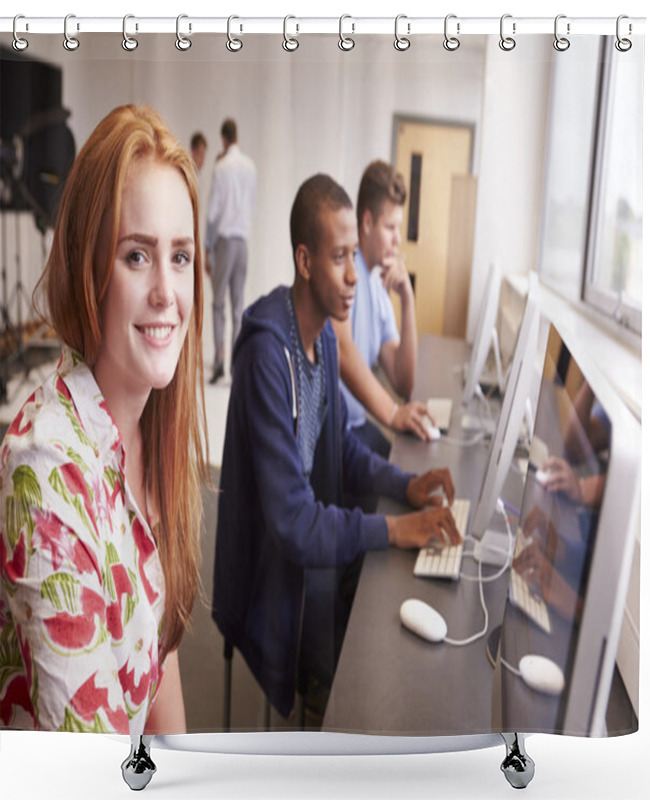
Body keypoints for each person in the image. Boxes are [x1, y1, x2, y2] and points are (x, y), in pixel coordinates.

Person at [212, 174, 460, 724]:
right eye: (339, 257)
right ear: (304, 261)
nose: (354, 276)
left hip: (296, 553)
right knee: (370, 618)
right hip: (265, 572)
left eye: (355, 256)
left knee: (372, 587)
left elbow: (339, 444)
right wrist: (398, 529)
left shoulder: (322, 335)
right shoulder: (266, 356)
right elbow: (296, 525)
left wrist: (405, 485)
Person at [0, 105, 209, 735]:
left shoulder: (151, 426)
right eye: (136, 256)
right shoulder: (47, 474)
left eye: (180, 258)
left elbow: (159, 654)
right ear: (89, 269)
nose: (167, 296)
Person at [331, 160, 435, 458]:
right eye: (390, 227)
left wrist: (407, 299)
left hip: (358, 427)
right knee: (399, 477)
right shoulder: (343, 273)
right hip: (336, 435)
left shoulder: (378, 289)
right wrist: (392, 413)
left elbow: (404, 381)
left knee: (408, 464)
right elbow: (342, 348)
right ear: (366, 223)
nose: (398, 239)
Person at [204, 117, 257, 384]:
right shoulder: (250, 167)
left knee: (217, 304)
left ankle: (219, 363)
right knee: (238, 307)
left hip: (225, 241)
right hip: (242, 242)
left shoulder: (221, 167)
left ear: (223, 138)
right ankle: (236, 364)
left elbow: (213, 212)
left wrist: (207, 246)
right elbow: (252, 204)